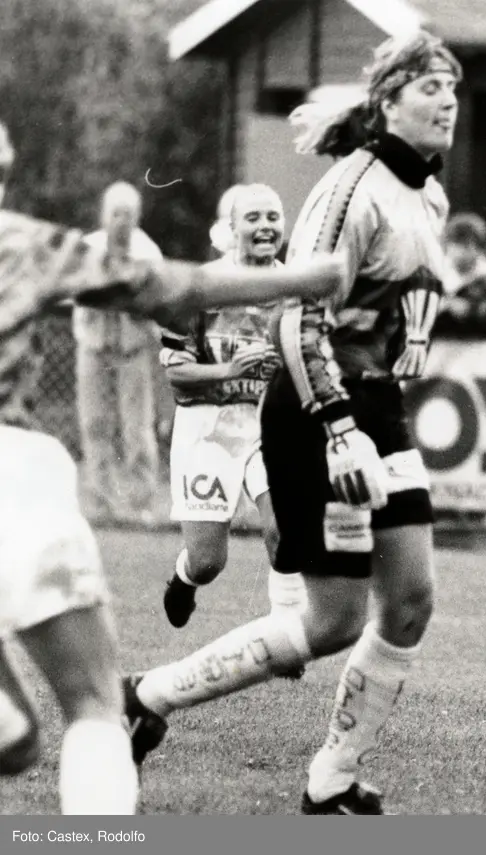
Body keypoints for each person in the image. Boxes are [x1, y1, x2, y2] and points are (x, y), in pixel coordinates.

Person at [122, 30, 459, 815]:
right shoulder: (350, 190)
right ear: (389, 102)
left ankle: (331, 777)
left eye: (452, 87)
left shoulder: (429, 193)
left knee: (411, 600)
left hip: (376, 408)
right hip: (318, 411)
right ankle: (146, 695)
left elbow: (397, 297)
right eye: (430, 86)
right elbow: (295, 325)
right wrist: (338, 427)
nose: (448, 101)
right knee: (333, 621)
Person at [0, 120, 347, 814]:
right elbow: (171, 287)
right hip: (18, 471)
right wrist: (314, 276)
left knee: (17, 743)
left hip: (255, 432)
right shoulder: (19, 243)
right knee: (94, 705)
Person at [159, 183, 308, 633]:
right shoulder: (201, 287)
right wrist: (229, 370)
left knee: (286, 531)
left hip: (270, 426)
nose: (265, 226)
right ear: (232, 227)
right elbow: (176, 373)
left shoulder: (297, 290)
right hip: (208, 429)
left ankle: (285, 638)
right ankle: (185, 578)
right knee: (208, 561)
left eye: (273, 217)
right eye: (253, 218)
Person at [73, 182, 165, 523]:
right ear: (104, 216)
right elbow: (74, 292)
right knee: (94, 423)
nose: (121, 221)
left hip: (132, 348)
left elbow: (158, 303)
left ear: (137, 217)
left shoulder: (148, 253)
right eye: (115, 213)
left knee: (137, 427)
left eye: (128, 214)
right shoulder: (88, 248)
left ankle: (141, 503)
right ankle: (100, 502)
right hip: (93, 346)